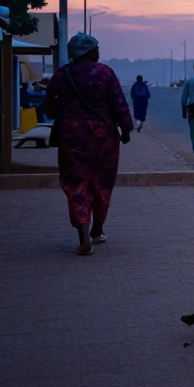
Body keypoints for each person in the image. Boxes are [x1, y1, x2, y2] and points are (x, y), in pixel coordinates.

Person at [43, 32, 133, 255]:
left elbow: (49, 109)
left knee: (76, 185)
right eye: (96, 48)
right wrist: (126, 129)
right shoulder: (105, 73)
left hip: (71, 138)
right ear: (89, 52)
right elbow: (119, 104)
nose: (99, 51)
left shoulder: (62, 75)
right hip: (103, 139)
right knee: (102, 182)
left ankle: (83, 237)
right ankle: (98, 228)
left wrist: (66, 114)